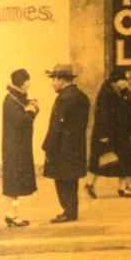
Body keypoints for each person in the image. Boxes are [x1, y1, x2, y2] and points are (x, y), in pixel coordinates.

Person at [41, 63, 90, 223]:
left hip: (63, 146)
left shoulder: (64, 99)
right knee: (72, 179)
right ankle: (71, 211)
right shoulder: (81, 96)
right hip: (76, 144)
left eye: (53, 79)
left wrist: (48, 148)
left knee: (62, 180)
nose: (52, 83)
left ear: (61, 80)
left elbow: (56, 126)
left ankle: (67, 212)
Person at [85, 69, 131, 199]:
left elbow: (130, 113)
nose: (126, 83)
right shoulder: (106, 92)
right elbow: (101, 115)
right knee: (102, 160)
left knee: (125, 159)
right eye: (124, 80)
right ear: (116, 80)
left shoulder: (124, 93)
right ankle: (90, 183)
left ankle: (122, 188)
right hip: (107, 133)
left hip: (122, 133)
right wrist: (103, 135)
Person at [2, 68, 40, 227]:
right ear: (22, 83)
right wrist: (31, 112)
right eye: (27, 80)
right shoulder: (11, 100)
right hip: (14, 149)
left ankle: (12, 213)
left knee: (15, 183)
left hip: (18, 147)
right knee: (13, 183)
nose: (29, 83)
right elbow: (21, 121)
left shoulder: (15, 97)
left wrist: (32, 108)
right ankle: (11, 214)